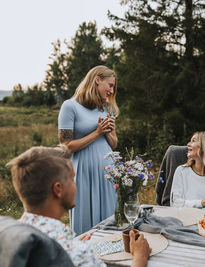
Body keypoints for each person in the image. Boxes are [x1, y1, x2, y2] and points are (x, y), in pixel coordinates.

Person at [6, 145, 151, 267]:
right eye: (72, 178)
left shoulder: (12, 238)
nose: (76, 185)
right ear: (58, 189)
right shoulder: (80, 255)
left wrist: (69, 243)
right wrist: (140, 257)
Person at [58, 65, 119, 235]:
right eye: (110, 85)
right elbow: (66, 146)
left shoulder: (106, 108)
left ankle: (109, 256)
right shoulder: (70, 107)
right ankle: (84, 256)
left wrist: (108, 132)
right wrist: (97, 132)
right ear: (97, 79)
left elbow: (114, 144)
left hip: (107, 171)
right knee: (85, 218)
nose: (112, 91)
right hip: (82, 171)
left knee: (109, 219)